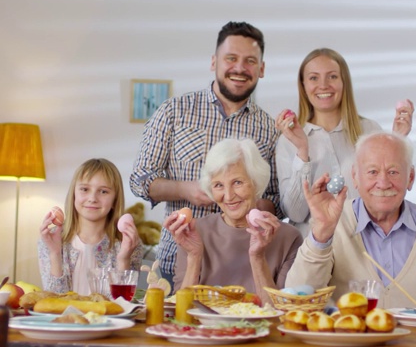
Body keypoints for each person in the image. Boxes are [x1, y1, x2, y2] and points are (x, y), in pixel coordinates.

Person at [130, 21, 281, 287]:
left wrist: (241, 203)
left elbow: (275, 200)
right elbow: (140, 179)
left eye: (250, 61)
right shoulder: (174, 112)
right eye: (231, 58)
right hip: (175, 262)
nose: (240, 68)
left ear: (262, 69)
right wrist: (186, 189)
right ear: (214, 62)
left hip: (241, 268)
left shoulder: (269, 129)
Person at [285, 131, 416, 308]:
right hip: (350, 336)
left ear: (410, 177)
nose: (383, 183)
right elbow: (295, 302)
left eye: (393, 172)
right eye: (372, 171)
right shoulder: (335, 223)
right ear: (355, 177)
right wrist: (322, 232)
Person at [275, 48, 415, 236]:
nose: (323, 85)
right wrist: (302, 150)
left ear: (344, 82)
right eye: (314, 78)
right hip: (313, 251)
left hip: (364, 248)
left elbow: (385, 192)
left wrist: (397, 139)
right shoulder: (288, 140)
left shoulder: (370, 130)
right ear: (303, 85)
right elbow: (295, 214)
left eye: (332, 76)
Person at [164, 138, 302, 304]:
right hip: (205, 329)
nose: (228, 196)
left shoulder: (289, 238)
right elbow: (181, 309)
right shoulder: (195, 232)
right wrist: (194, 256)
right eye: (218, 185)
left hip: (259, 329)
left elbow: (279, 313)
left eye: (237, 182)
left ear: (255, 182)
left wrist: (257, 258)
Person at [38, 158, 143, 294]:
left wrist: (124, 259)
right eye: (85, 189)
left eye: (103, 191)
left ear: (114, 200)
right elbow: (53, 302)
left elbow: (122, 304)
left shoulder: (128, 243)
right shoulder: (50, 239)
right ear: (74, 194)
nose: (92, 198)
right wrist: (55, 253)